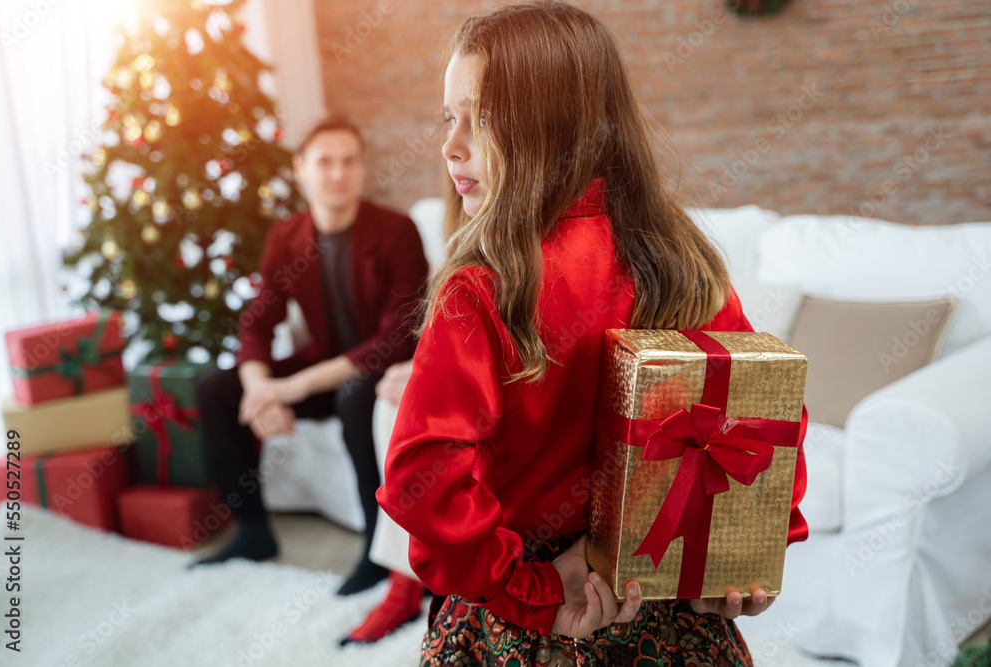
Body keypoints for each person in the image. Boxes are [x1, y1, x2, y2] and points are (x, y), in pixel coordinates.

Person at [376, 3, 809, 664]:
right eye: (448, 116)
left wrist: (528, 587)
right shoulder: (684, 265)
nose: (451, 144)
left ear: (555, 126)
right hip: (668, 619)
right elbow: (763, 421)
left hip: (536, 619)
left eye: (483, 117)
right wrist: (742, 556)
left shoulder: (482, 288)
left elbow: (420, 479)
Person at [192, 116, 429, 598]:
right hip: (324, 369)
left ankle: (375, 553)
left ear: (362, 170)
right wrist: (260, 391)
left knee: (355, 398)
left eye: (350, 161)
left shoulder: (397, 231)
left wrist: (289, 388)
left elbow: (394, 340)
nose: (338, 173)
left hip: (379, 375)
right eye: (325, 162)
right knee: (216, 387)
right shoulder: (287, 237)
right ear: (301, 170)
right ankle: (252, 531)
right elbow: (258, 323)